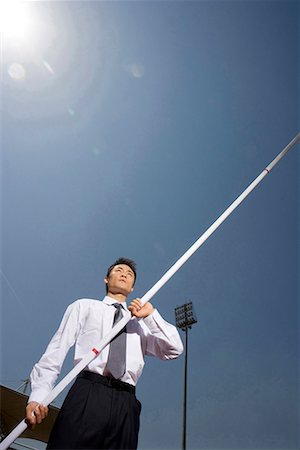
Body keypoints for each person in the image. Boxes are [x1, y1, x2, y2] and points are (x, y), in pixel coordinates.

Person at [25, 257, 183, 449]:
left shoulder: (141, 323)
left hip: (127, 403)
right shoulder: (84, 306)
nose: (124, 273)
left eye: (130, 273)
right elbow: (56, 350)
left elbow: (174, 349)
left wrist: (151, 316)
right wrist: (39, 395)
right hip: (88, 392)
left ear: (133, 288)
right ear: (106, 279)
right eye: (119, 270)